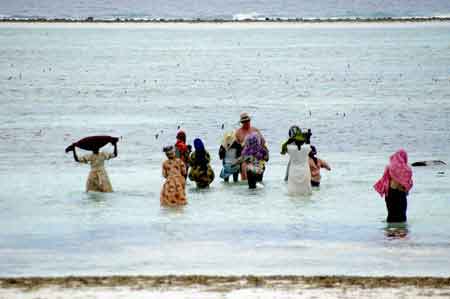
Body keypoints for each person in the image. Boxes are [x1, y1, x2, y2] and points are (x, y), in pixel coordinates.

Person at [374, 149, 413, 223]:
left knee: (391, 214)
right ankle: (402, 232)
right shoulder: (407, 169)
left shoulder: (390, 167)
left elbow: (384, 180)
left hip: (390, 193)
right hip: (401, 193)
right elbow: (408, 183)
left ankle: (390, 232)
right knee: (401, 216)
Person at [281, 125, 312, 196]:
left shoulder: (290, 147)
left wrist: (289, 140)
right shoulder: (306, 147)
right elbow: (309, 148)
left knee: (292, 192)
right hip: (305, 169)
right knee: (306, 192)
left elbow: (283, 151)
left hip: (293, 167)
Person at [235, 112, 266, 180]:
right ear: (242, 122)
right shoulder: (238, 132)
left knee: (258, 179)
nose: (246, 123)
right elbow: (235, 147)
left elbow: (263, 142)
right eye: (244, 121)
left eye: (248, 121)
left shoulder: (255, 130)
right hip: (245, 157)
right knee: (245, 179)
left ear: (250, 120)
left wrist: (265, 153)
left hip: (257, 156)